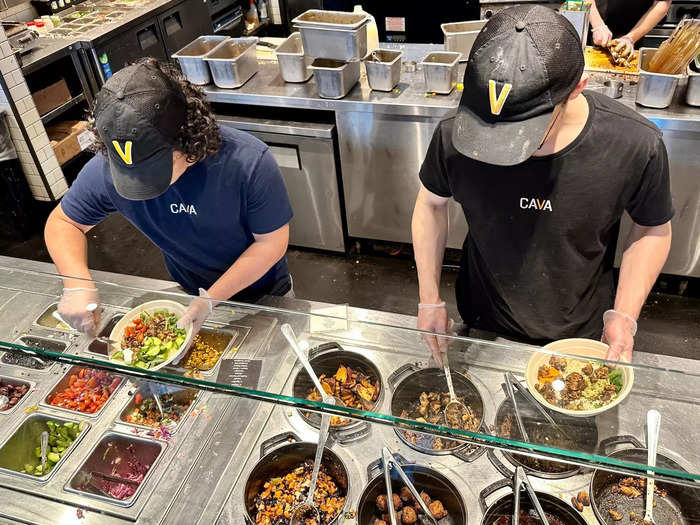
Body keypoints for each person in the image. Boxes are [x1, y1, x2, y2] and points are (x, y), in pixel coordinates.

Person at [412, 6, 673, 363]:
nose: (502, 145)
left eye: (525, 128)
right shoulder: (456, 136)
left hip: (575, 332)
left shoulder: (635, 144)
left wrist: (624, 316)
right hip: (482, 319)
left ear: (577, 87)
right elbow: (430, 204)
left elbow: (652, 228)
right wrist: (429, 298)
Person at [45, 58, 293, 340]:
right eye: (129, 172)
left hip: (264, 295)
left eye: (153, 170)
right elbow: (64, 222)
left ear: (190, 141)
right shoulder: (106, 171)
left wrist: (211, 299)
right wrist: (76, 283)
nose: (141, 184)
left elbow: (271, 244)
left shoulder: (247, 162)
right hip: (188, 290)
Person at [589, 0, 672, 57]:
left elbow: (662, 3)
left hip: (634, 32)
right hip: (593, 25)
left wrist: (630, 38)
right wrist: (597, 24)